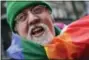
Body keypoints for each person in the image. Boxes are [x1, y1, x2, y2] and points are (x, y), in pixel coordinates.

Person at [6, 1, 89, 60]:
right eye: (21, 17)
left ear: (51, 17)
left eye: (37, 10)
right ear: (17, 32)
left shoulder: (83, 44)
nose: (32, 19)